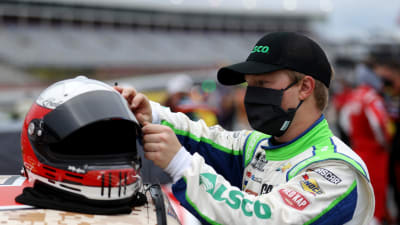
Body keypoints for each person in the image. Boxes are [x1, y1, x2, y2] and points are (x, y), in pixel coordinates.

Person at [115, 32, 375, 224]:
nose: (252, 95)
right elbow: (201, 136)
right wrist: (152, 112)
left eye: (263, 83)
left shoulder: (336, 170)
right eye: (250, 85)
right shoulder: (258, 145)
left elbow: (263, 219)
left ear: (305, 88)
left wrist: (181, 165)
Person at [338, 60, 394, 224]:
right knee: (376, 192)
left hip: (358, 150)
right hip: (375, 153)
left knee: (362, 194)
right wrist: (385, 142)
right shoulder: (372, 97)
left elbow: (344, 123)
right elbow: (379, 123)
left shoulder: (354, 95)